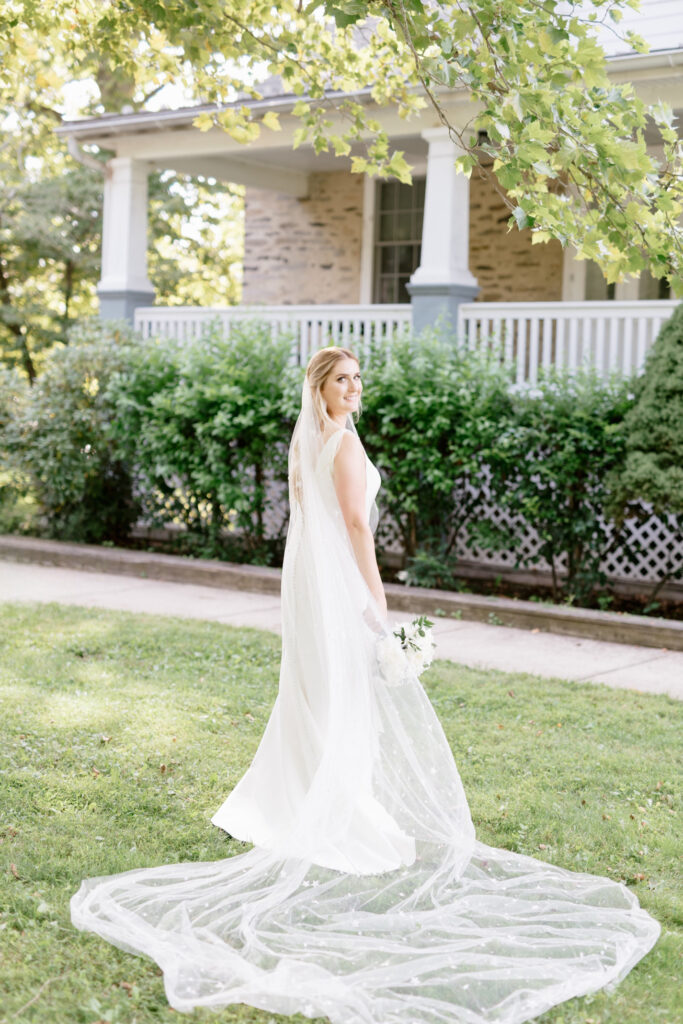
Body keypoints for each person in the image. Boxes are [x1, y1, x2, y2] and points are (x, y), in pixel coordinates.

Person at [71, 346, 660, 1024]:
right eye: (342, 380)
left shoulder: (307, 441)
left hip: (307, 580)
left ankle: (297, 799)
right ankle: (330, 808)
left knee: (315, 690)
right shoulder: (342, 445)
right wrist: (374, 592)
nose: (353, 389)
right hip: (336, 582)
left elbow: (306, 515)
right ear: (320, 388)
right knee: (337, 692)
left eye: (356, 379)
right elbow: (353, 524)